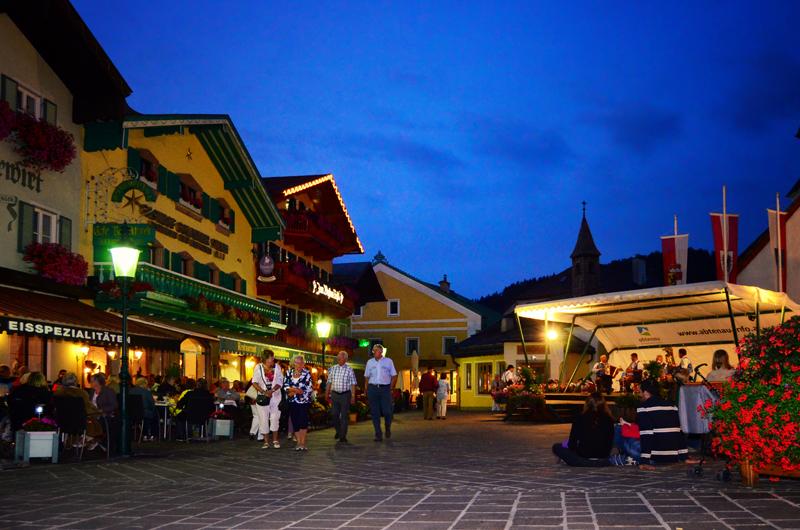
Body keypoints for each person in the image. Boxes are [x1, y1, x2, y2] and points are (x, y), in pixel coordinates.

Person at [552, 392, 614, 466]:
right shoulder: (609, 419)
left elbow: (572, 444)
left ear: (587, 404)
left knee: (557, 447)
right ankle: (596, 462)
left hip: (584, 455)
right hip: (602, 455)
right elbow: (610, 441)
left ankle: (583, 461)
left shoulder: (580, 417)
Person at [636, 379, 688, 467]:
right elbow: (680, 431)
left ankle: (621, 459)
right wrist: (684, 457)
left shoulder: (643, 407)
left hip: (655, 457)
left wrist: (644, 461)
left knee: (621, 433)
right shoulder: (672, 406)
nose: (639, 395)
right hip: (673, 456)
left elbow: (646, 434)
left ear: (645, 392)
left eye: (639, 392)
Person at [53, 372, 104, 446]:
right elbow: (88, 408)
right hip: (79, 423)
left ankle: (79, 440)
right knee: (95, 421)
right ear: (75, 382)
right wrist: (98, 412)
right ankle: (88, 439)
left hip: (62, 422)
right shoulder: (81, 393)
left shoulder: (58, 393)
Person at [364, 344, 397, 442]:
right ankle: (378, 434)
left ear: (381, 352)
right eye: (373, 351)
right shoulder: (369, 362)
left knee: (387, 412)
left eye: (376, 351)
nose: (374, 352)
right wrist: (366, 389)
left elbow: (394, 375)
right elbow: (366, 376)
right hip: (373, 388)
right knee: (375, 413)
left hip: (385, 389)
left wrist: (390, 387)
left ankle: (387, 427)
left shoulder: (388, 361)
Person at [251, 350, 284, 449]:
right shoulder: (258, 367)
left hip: (275, 397)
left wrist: (272, 390)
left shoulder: (277, 367)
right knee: (263, 419)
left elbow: (280, 381)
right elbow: (254, 382)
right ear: (265, 358)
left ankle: (275, 440)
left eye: (273, 357)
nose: (273, 359)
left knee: (274, 418)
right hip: (263, 397)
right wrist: (264, 392)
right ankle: (266, 442)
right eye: (271, 357)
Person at [326, 350, 358, 444]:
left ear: (345, 359)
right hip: (335, 394)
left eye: (340, 357)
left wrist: (353, 396)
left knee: (344, 416)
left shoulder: (349, 369)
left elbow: (353, 384)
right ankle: (338, 431)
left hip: (345, 394)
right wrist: (327, 393)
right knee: (334, 414)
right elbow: (329, 382)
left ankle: (342, 436)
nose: (338, 359)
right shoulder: (333, 368)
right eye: (338, 357)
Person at [284, 354, 312, 451]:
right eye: (297, 362)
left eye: (301, 362)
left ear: (303, 364)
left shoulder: (307, 374)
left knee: (303, 422)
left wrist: (293, 391)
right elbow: (285, 386)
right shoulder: (288, 372)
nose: (299, 364)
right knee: (295, 421)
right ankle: (298, 443)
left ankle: (303, 443)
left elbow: (306, 389)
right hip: (292, 401)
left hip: (303, 401)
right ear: (293, 363)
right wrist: (293, 390)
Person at [129, 377, 157, 441]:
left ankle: (144, 434)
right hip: (144, 413)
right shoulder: (146, 392)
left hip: (132, 413)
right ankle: (152, 435)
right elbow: (152, 404)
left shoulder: (130, 391)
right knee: (155, 414)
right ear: (145, 384)